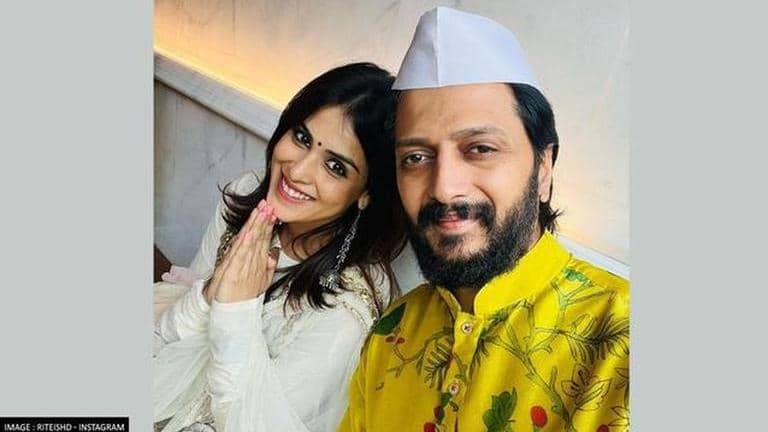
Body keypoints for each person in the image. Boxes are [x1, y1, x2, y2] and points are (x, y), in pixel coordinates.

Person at [339, 7, 629, 432]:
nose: (444, 189)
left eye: (480, 149)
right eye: (415, 158)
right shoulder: (390, 334)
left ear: (543, 168)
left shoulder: (624, 340)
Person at [152, 62, 408, 432]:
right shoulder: (249, 198)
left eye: (335, 167)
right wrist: (208, 295)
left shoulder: (344, 312)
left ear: (366, 193)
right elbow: (169, 342)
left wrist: (236, 311)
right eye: (302, 137)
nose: (297, 171)